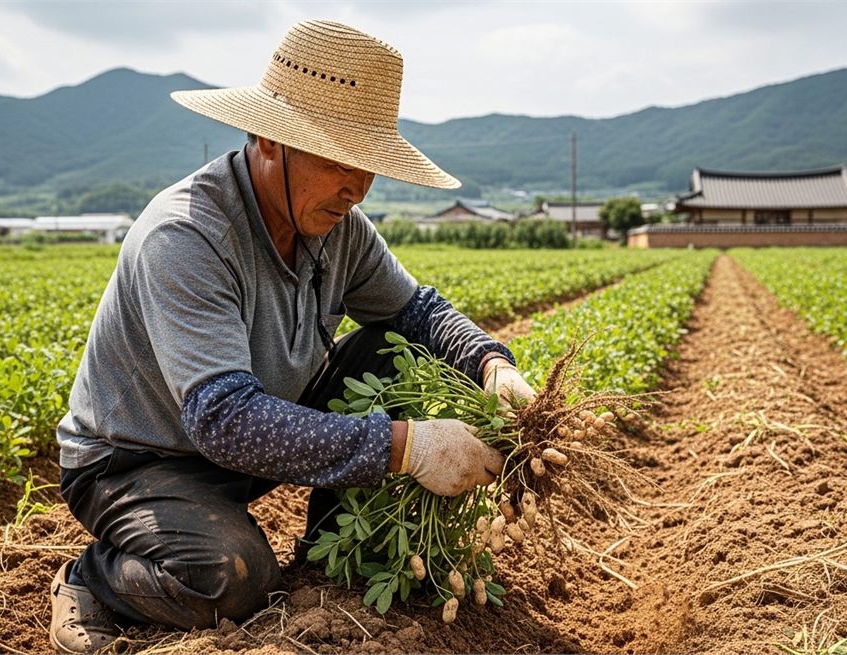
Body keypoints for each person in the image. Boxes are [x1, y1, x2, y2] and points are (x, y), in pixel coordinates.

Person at [48, 19, 536, 654]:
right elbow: (223, 419)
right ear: (267, 140)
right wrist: (408, 446)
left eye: (369, 168)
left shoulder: (341, 229)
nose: (357, 188)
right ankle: (94, 579)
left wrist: (492, 362)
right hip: (138, 462)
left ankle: (329, 557)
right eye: (340, 161)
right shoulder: (189, 236)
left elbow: (417, 313)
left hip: (239, 451)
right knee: (232, 579)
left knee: (393, 347)